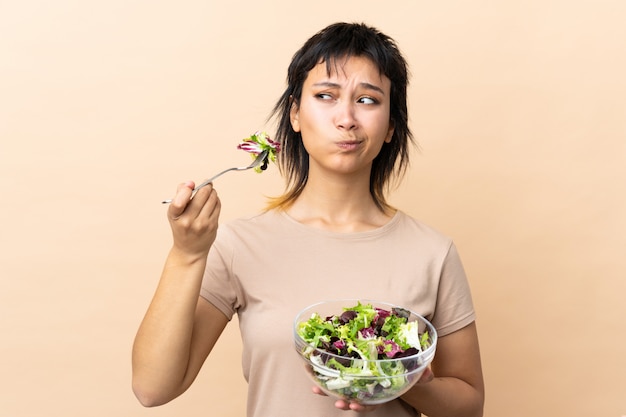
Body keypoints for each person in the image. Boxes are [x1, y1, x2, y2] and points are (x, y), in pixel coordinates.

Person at [132, 22, 484, 417]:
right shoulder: (239, 245)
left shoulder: (432, 253)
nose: (346, 118)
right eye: (325, 96)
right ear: (295, 115)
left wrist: (404, 383)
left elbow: (469, 406)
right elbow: (152, 387)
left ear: (391, 127)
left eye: (367, 100)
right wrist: (187, 255)